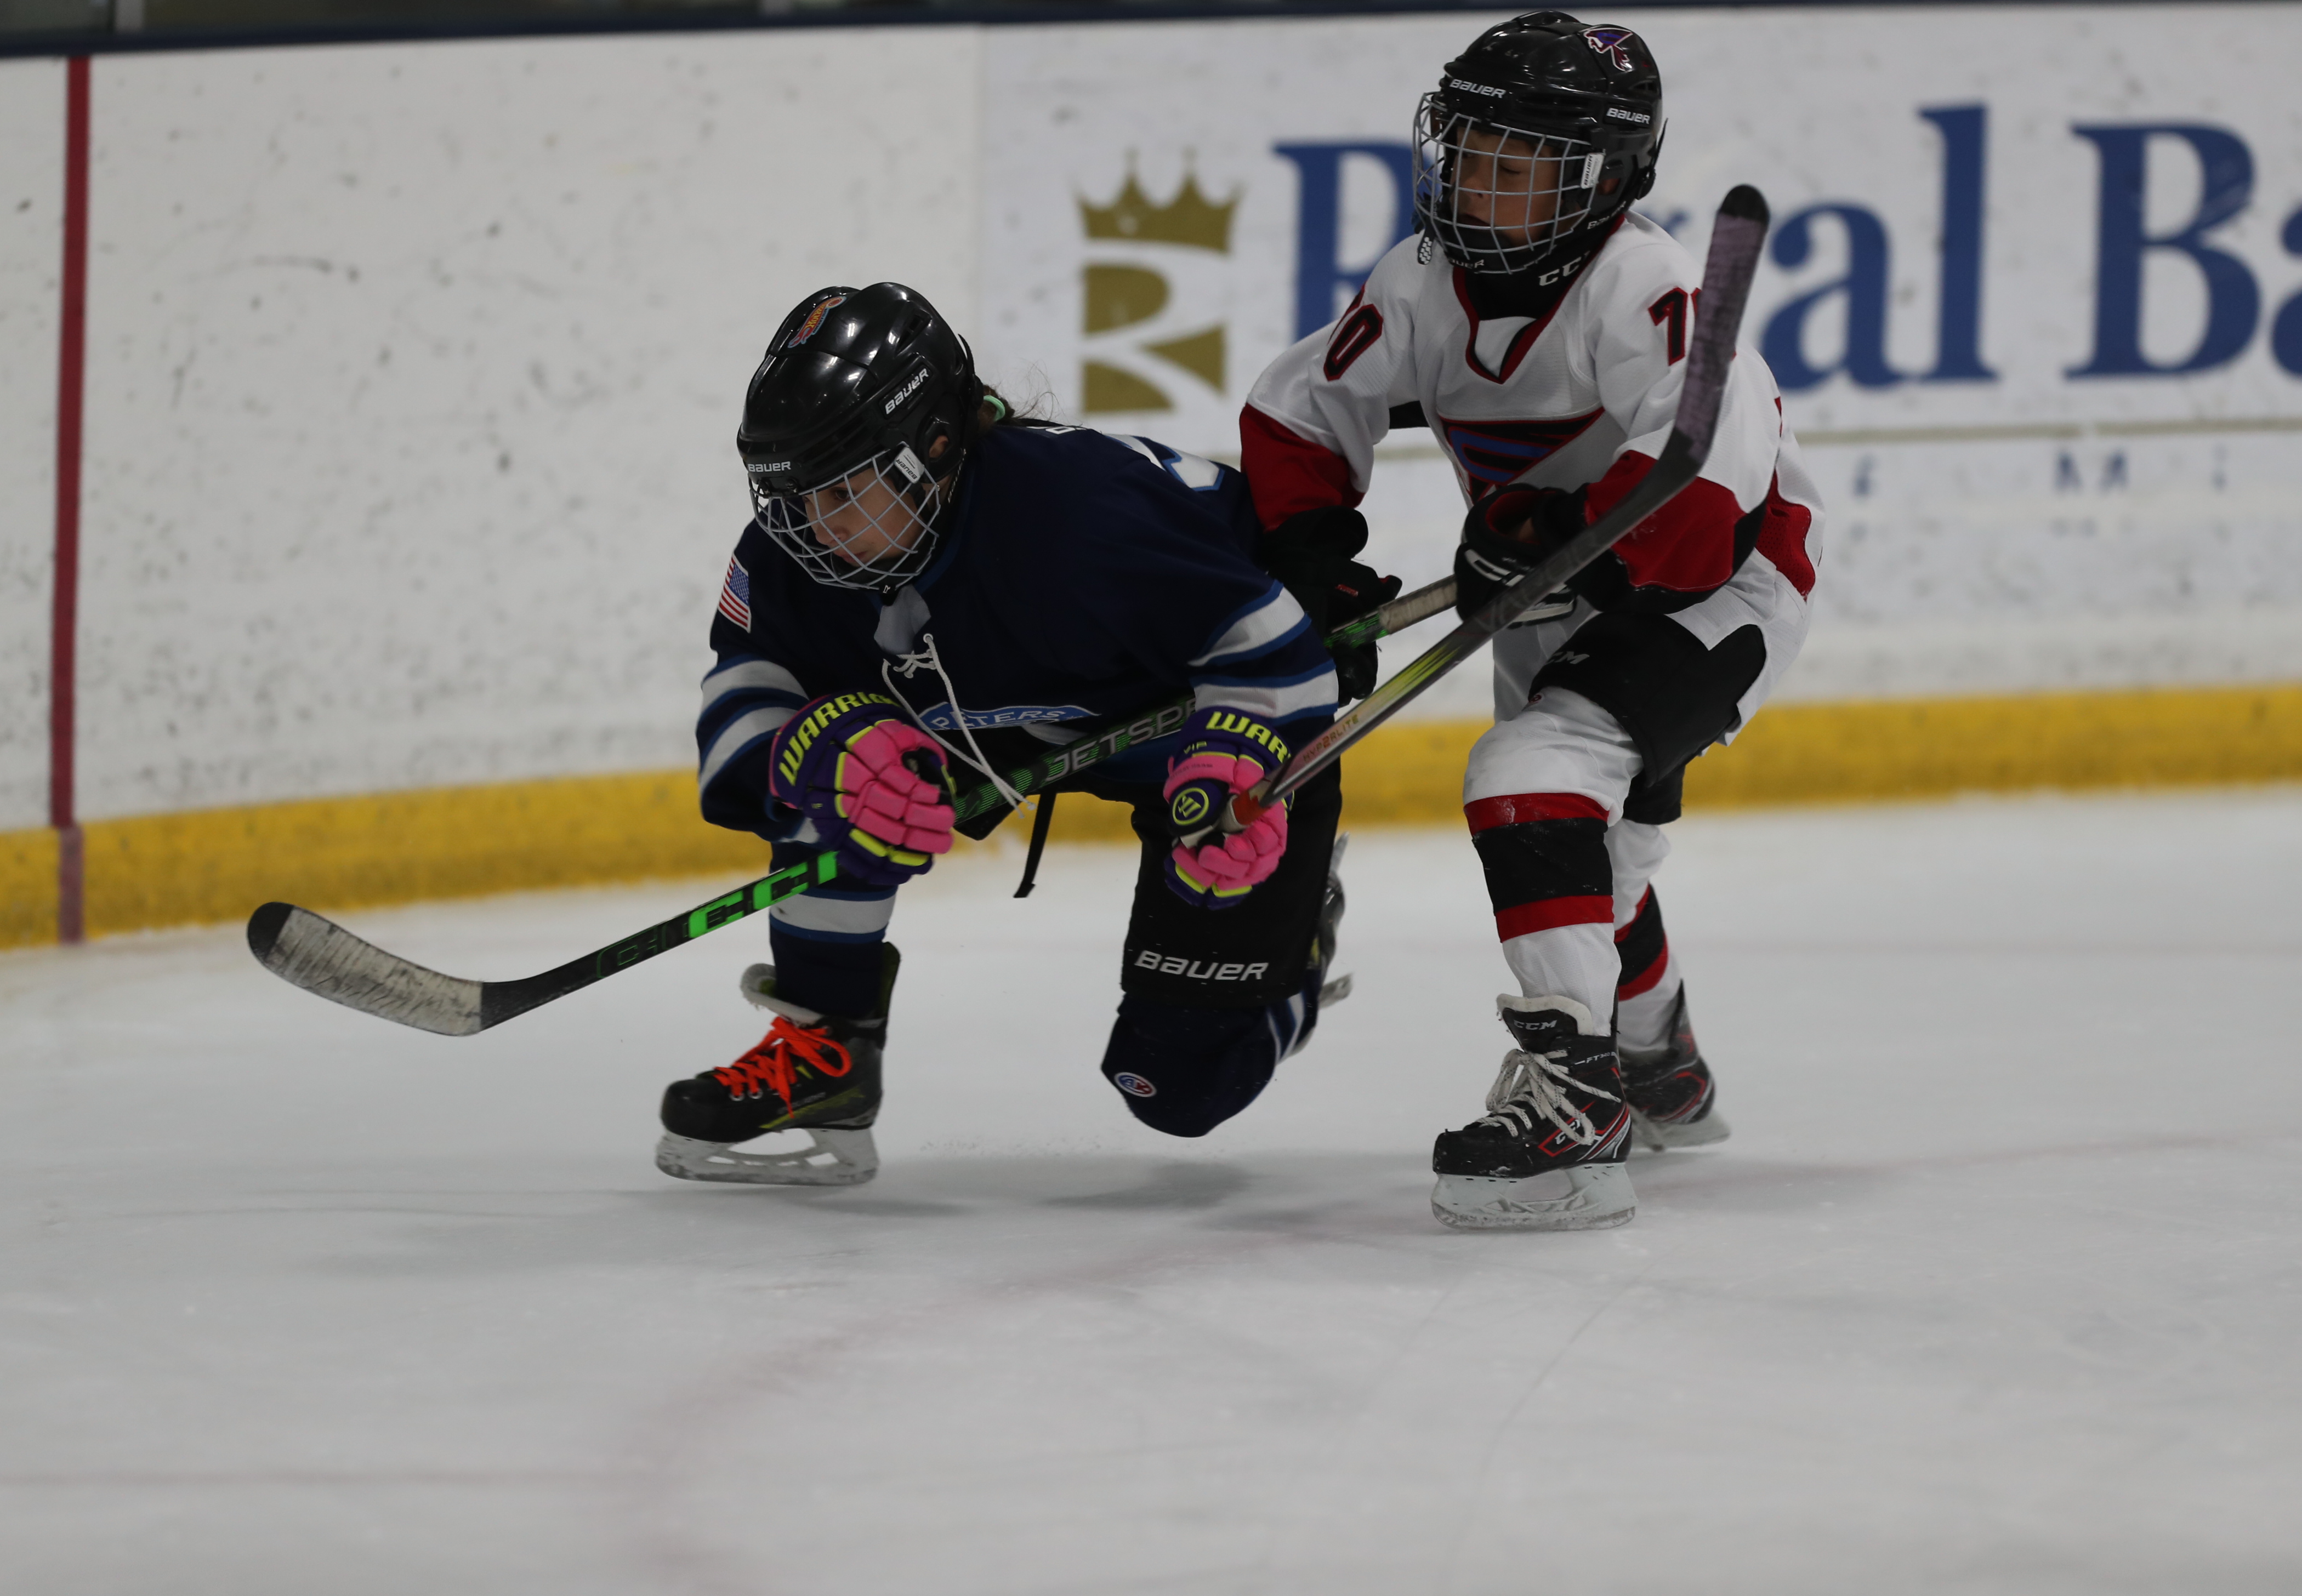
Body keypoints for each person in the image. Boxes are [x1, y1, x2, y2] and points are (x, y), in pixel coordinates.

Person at [1240, 11, 1823, 1230]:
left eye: (1522, 165)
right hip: (1552, 591)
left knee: (1529, 777)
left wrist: (1556, 533)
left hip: (1722, 585)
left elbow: (1705, 505)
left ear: (1606, 181)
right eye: (1470, 150)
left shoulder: (1648, 290)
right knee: (1597, 860)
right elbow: (1300, 411)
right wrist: (1312, 558)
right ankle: (1658, 1063)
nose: (1479, 182)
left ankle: (1578, 1101)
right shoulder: (1417, 283)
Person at [657, 282, 1362, 1187]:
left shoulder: (1081, 516)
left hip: (1193, 736)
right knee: (842, 774)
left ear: (935, 451)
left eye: (845, 492)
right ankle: (827, 1049)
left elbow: (1280, 655)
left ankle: (1298, 941)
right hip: (994, 718)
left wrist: (1240, 760)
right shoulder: (793, 556)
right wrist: (808, 754)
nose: (811, 528)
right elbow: (741, 705)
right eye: (792, 495)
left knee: (1176, 1085)